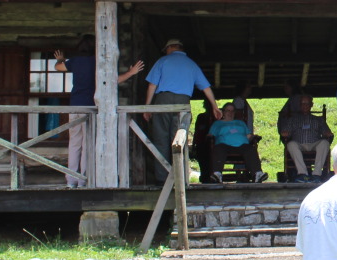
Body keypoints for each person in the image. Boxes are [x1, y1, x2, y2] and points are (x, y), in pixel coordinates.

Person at [53, 36, 143, 188]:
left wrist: (60, 59)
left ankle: (71, 181)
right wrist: (131, 73)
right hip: (89, 108)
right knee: (87, 144)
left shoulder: (75, 61)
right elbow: (114, 80)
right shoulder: (98, 62)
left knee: (74, 144)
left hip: (74, 107)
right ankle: (82, 181)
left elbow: (58, 67)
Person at [143, 39, 220, 183]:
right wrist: (214, 106)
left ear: (171, 48)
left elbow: (152, 86)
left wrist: (148, 107)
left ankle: (162, 180)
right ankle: (180, 179)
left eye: (166, 49)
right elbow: (206, 88)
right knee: (179, 141)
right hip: (183, 103)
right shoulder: (191, 64)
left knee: (161, 140)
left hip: (163, 102)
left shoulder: (162, 61)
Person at [206, 103, 266, 183]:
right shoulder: (218, 123)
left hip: (242, 145)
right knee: (218, 148)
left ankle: (257, 174)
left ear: (235, 113)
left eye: (232, 111)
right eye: (228, 110)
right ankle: (217, 174)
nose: (230, 113)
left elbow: (248, 136)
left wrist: (253, 137)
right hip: (224, 145)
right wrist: (210, 137)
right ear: (223, 112)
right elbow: (210, 135)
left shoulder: (240, 123)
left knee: (250, 149)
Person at [281, 94, 333, 181]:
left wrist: (327, 133)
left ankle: (316, 174)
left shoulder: (318, 120)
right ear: (300, 105)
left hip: (314, 143)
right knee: (291, 144)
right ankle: (302, 173)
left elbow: (326, 132)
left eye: (307, 103)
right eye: (302, 103)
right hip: (299, 143)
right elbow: (286, 132)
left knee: (324, 143)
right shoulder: (293, 119)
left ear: (311, 105)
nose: (305, 105)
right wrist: (285, 133)